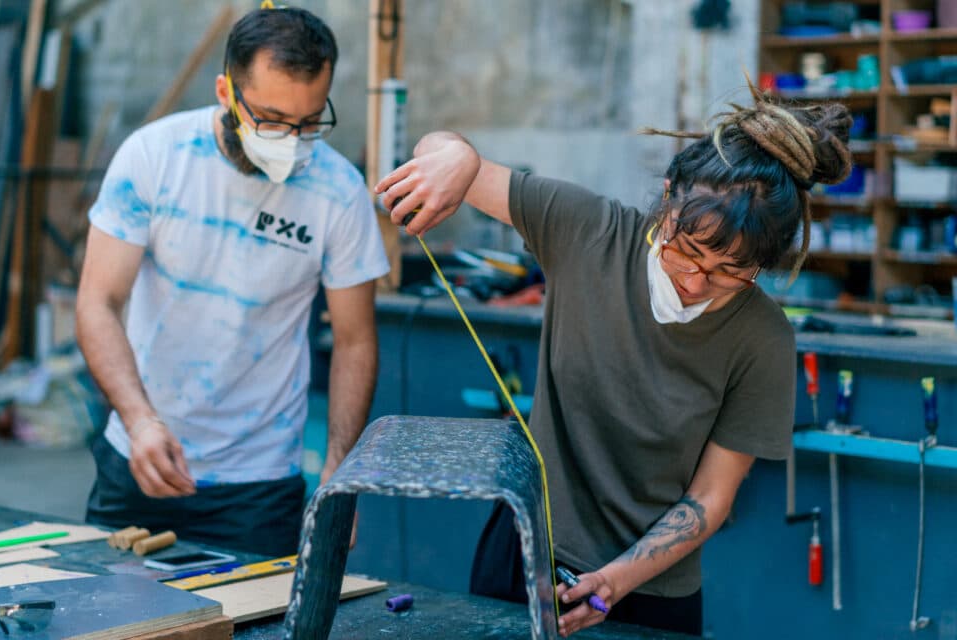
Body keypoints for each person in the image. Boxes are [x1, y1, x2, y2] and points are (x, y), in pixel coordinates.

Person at [376, 86, 852, 637]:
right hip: (525, 555)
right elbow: (440, 151)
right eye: (687, 251)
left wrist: (614, 580)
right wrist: (457, 156)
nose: (697, 281)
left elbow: (711, 497)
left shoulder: (762, 337)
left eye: (730, 273)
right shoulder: (588, 231)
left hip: (651, 591)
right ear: (668, 197)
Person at [76, 6, 388, 557]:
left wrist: (341, 472)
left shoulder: (339, 192)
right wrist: (139, 420)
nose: (290, 141)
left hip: (258, 485)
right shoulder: (154, 156)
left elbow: (355, 340)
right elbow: (98, 303)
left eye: (309, 122)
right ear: (226, 92)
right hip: (140, 457)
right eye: (271, 119)